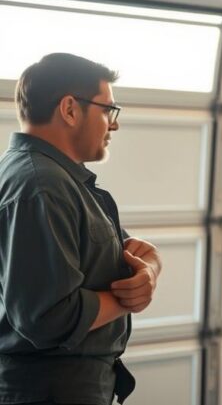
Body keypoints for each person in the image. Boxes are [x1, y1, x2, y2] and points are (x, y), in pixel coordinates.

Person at [0, 53, 162, 404]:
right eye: (107, 110)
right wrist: (127, 298)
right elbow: (48, 318)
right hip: (50, 391)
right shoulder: (40, 186)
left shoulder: (56, 181)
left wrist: (150, 267)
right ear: (70, 109)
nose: (113, 124)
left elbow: (120, 255)